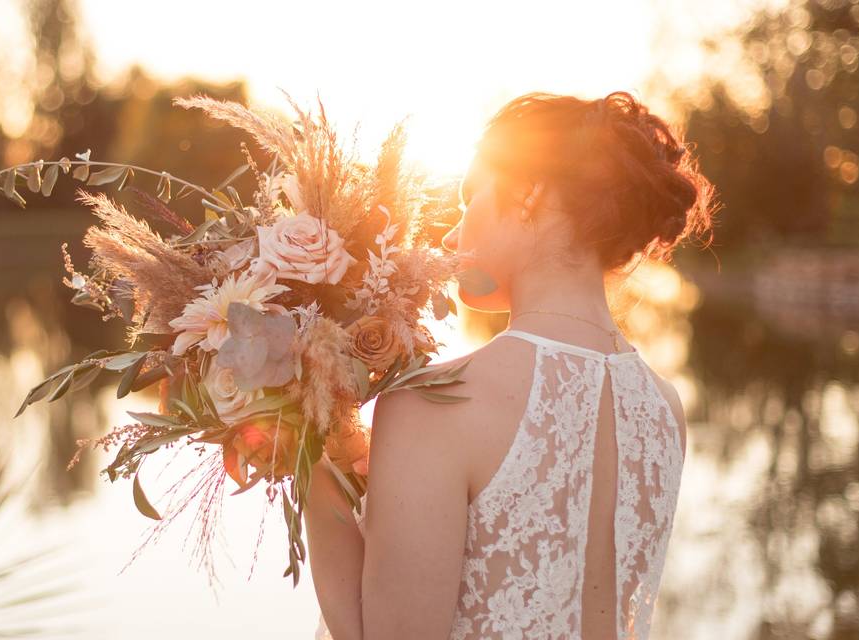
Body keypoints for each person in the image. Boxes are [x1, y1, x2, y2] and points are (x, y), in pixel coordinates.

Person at [304, 90, 717, 640]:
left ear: (528, 193)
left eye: (469, 197)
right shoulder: (665, 410)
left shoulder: (433, 402)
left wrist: (304, 452)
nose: (451, 233)